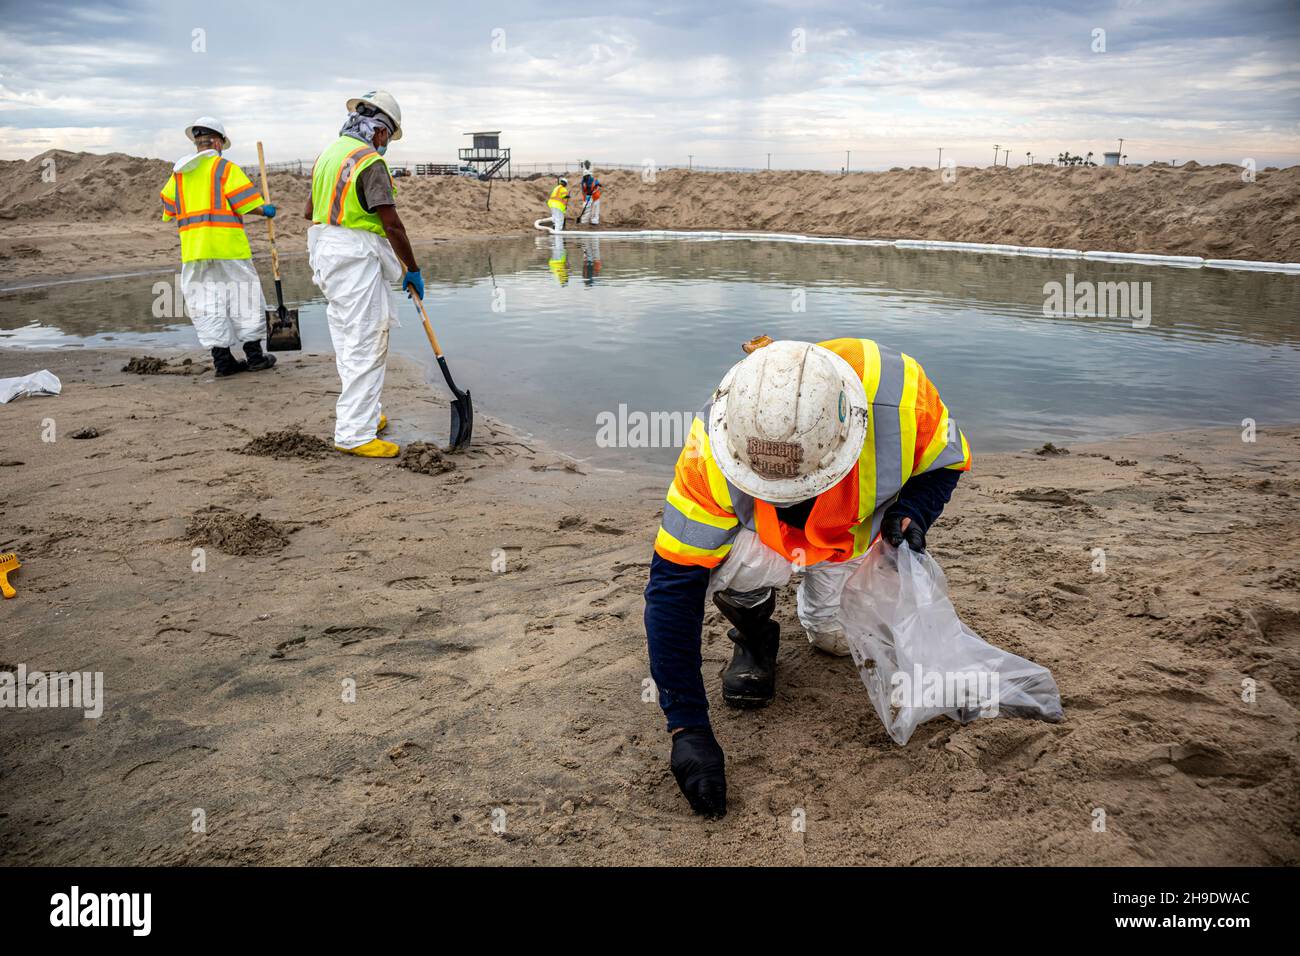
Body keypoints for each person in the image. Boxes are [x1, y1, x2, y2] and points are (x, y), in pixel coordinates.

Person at [644, 338, 971, 817]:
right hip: (768, 547)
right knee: (724, 564)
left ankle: (821, 608)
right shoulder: (712, 450)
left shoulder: (902, 396)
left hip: (851, 533)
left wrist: (911, 512)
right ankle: (755, 637)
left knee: (832, 640)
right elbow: (673, 588)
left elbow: (947, 462)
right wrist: (687, 726)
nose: (786, 500)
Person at [303, 90, 422, 458]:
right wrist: (413, 269)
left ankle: (366, 412)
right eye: (387, 136)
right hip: (354, 259)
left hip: (326, 253)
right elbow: (393, 225)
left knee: (348, 340)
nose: (386, 144)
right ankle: (355, 434)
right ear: (380, 130)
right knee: (367, 343)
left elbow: (310, 210)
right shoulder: (369, 162)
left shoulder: (329, 154)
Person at [159, 117, 278, 377]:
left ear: (198, 143)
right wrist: (265, 211)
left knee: (206, 304)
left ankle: (222, 362)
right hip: (228, 250)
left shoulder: (178, 175)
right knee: (244, 299)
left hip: (194, 253)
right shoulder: (224, 168)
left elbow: (169, 210)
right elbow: (245, 203)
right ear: (216, 142)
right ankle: (255, 357)